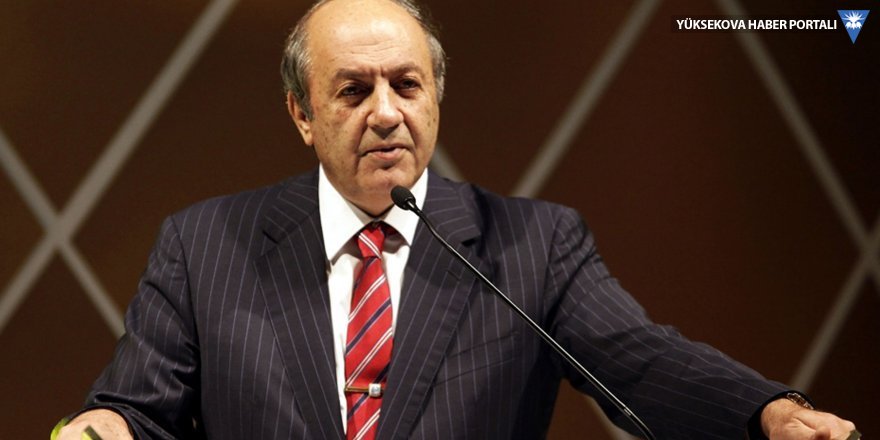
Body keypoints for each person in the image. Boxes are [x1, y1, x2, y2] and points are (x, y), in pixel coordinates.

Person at [57, 0, 859, 439]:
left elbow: (641, 364)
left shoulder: (534, 246)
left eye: (406, 85)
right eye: (353, 90)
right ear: (302, 113)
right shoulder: (203, 245)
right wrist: (101, 430)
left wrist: (768, 412)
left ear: (435, 99)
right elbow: (135, 411)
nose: (385, 113)